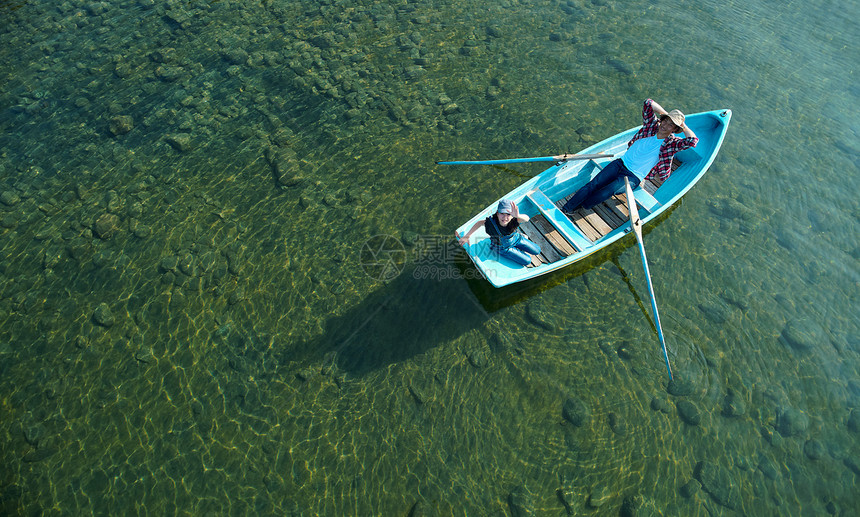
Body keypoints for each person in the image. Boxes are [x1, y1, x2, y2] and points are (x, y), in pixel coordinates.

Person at [561, 98, 698, 214]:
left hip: (633, 176)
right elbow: (648, 103)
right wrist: (666, 114)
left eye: (671, 125)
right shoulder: (651, 126)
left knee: (607, 191)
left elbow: (693, 141)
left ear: (675, 129)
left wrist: (683, 125)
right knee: (593, 184)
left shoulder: (672, 144)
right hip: (620, 163)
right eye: (665, 121)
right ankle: (567, 209)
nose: (666, 126)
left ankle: (583, 206)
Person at [457, 199, 541, 266]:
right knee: (527, 260)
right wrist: (467, 236)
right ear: (497, 213)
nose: (505, 217)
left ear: (512, 215)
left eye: (508, 214)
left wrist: (517, 215)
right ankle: (500, 250)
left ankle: (519, 243)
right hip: (503, 247)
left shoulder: (514, 219)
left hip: (516, 239)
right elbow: (479, 223)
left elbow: (526, 218)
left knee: (537, 250)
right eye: (502, 214)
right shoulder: (491, 223)